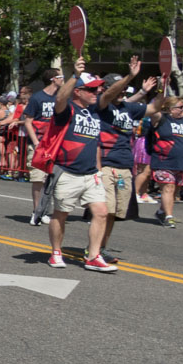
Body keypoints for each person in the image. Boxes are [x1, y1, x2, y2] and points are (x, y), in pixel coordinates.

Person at [44, 58, 120, 273]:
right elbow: (59, 97)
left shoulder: (96, 112)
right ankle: (56, 252)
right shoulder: (66, 111)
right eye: (91, 90)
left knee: (101, 212)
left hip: (90, 174)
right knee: (61, 214)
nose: (96, 93)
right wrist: (75, 75)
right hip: (67, 171)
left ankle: (94, 256)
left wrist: (97, 170)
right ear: (78, 91)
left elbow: (95, 145)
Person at [97, 61, 156, 231]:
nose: (123, 90)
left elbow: (153, 107)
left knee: (115, 213)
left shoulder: (126, 107)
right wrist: (130, 76)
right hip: (106, 164)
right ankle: (94, 248)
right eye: (119, 87)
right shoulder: (101, 105)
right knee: (105, 211)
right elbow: (111, 96)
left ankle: (100, 248)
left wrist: (161, 88)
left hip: (125, 165)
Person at [144, 90, 183, 227]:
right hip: (164, 161)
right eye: (180, 107)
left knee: (175, 190)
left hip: (182, 162)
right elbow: (152, 110)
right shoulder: (162, 118)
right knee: (168, 188)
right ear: (170, 109)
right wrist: (160, 92)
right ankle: (169, 216)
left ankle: (161, 212)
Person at [20, 70, 61, 225]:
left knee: (52, 180)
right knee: (38, 179)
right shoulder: (37, 98)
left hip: (56, 146)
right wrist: (36, 142)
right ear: (53, 79)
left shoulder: (61, 98)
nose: (63, 80)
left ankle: (45, 211)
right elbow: (28, 121)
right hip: (39, 145)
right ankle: (36, 211)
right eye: (60, 77)